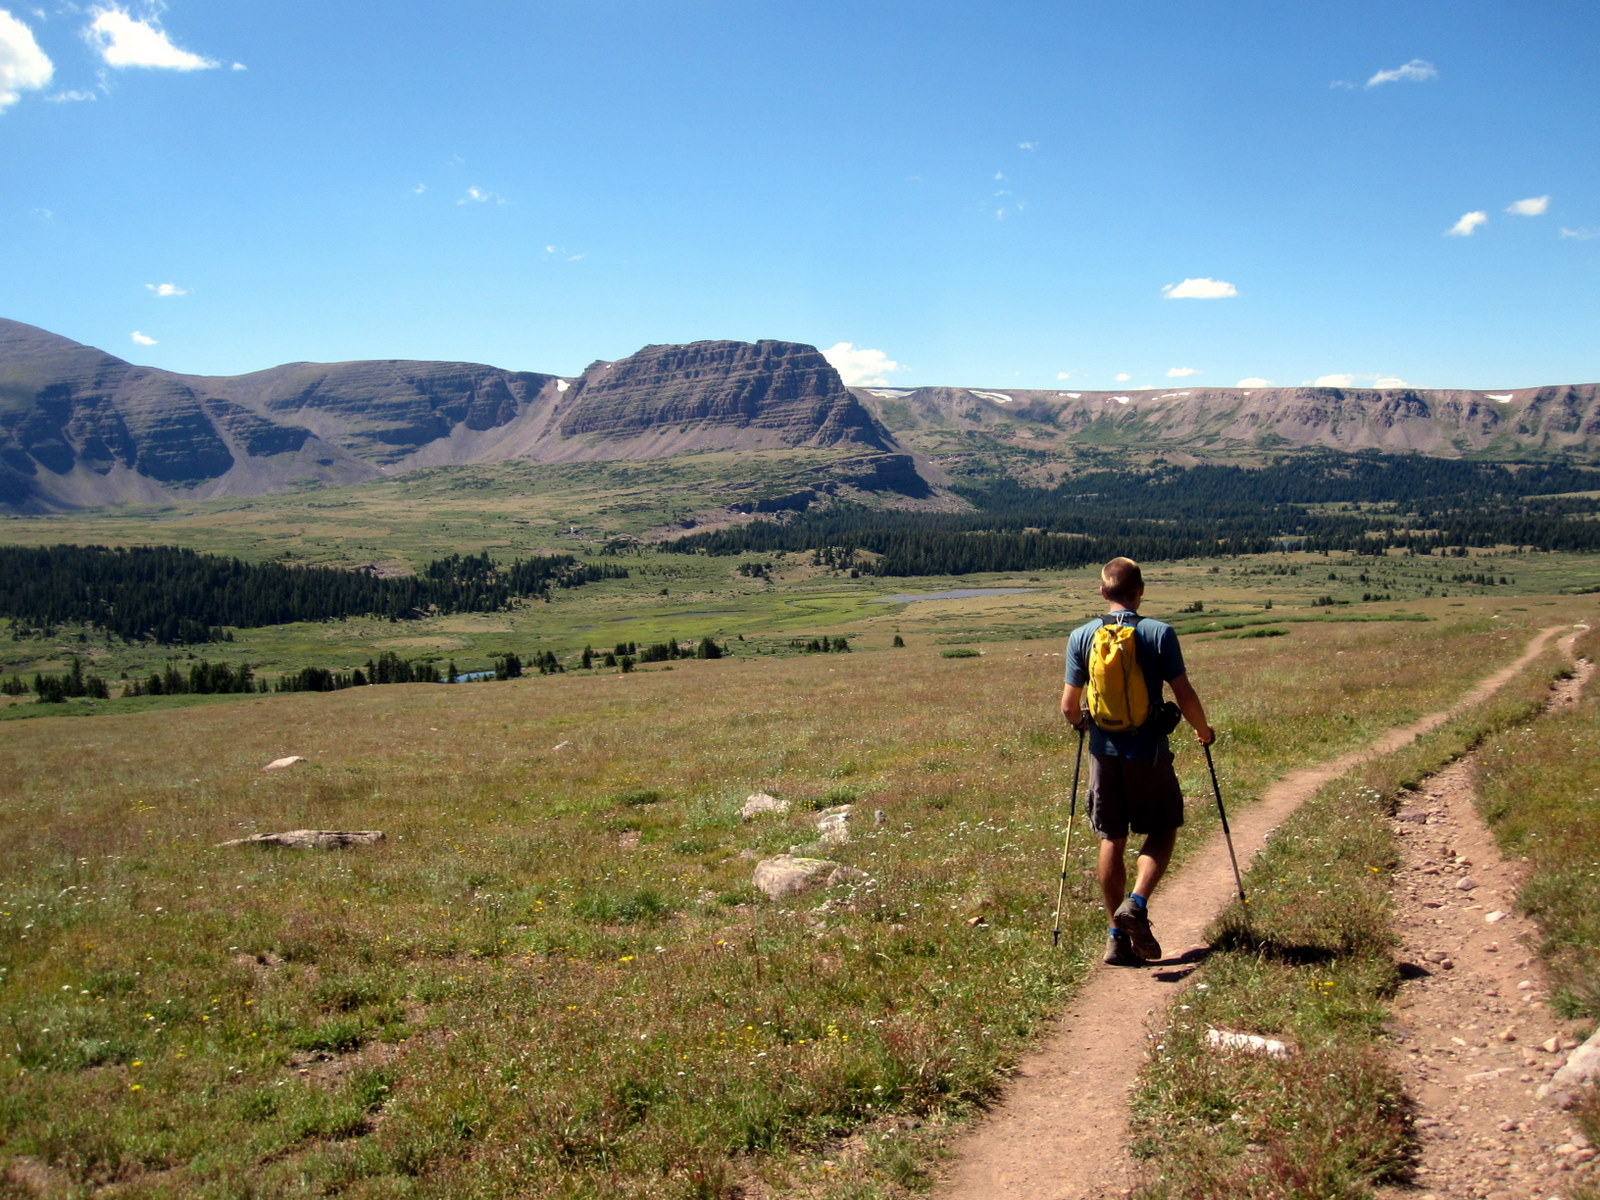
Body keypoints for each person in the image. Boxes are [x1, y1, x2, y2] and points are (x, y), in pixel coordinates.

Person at [1059, 557, 1214, 966]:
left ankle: (1115, 938)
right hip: (1148, 754)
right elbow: (1183, 692)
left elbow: (1068, 707)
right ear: (1140, 591)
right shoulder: (1158, 633)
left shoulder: (1081, 636)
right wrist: (1203, 730)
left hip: (1103, 754)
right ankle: (1137, 903)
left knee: (1112, 838)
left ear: (1103, 592)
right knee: (1163, 829)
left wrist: (1084, 725)